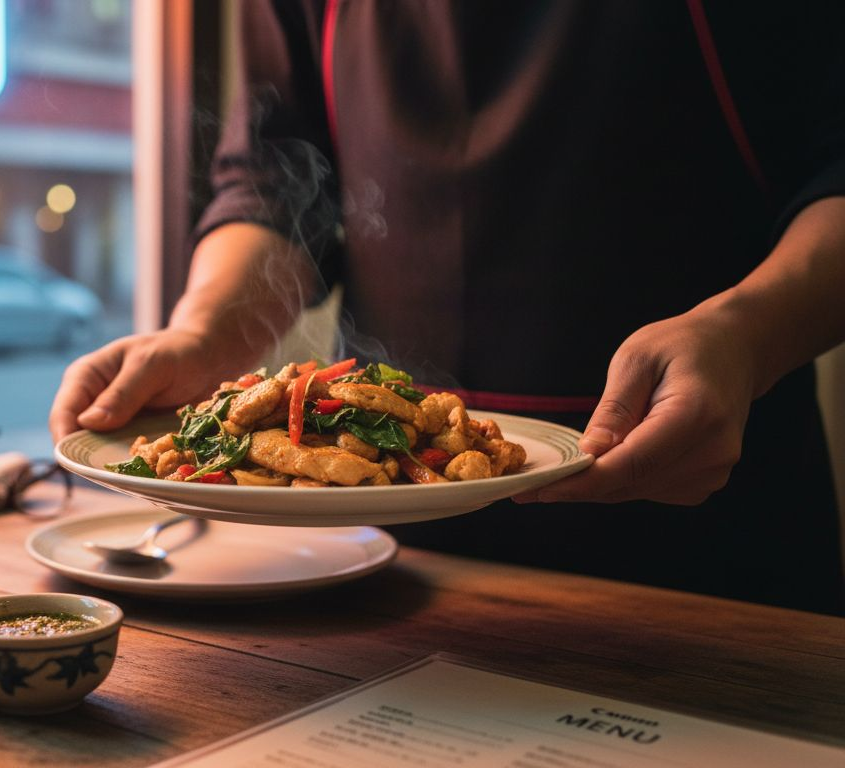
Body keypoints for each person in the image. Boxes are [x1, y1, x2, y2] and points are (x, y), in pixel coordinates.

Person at [51, 1, 845, 614]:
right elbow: (276, 176)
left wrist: (746, 332)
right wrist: (202, 332)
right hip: (379, 558)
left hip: (703, 547)